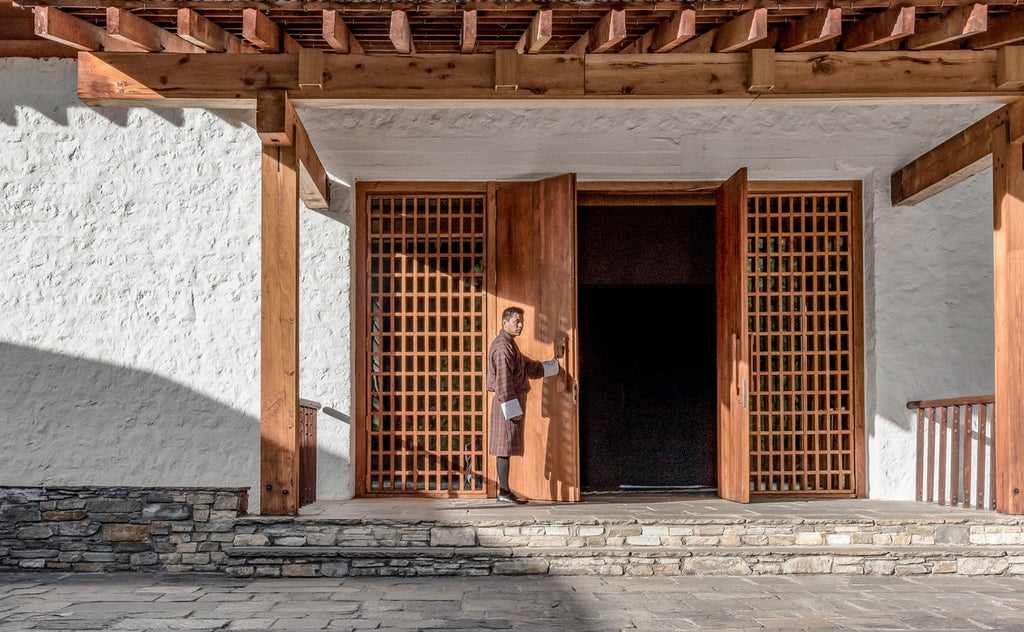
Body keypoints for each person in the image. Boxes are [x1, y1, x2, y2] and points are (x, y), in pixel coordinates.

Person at [486, 306, 562, 505]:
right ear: (505, 323)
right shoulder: (502, 347)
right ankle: (503, 492)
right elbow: (503, 383)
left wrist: (553, 366)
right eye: (516, 322)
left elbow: (528, 366)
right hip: (506, 402)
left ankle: (505, 491)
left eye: (522, 322)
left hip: (509, 401)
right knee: (503, 447)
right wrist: (513, 412)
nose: (521, 325)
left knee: (505, 446)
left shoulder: (509, 344)